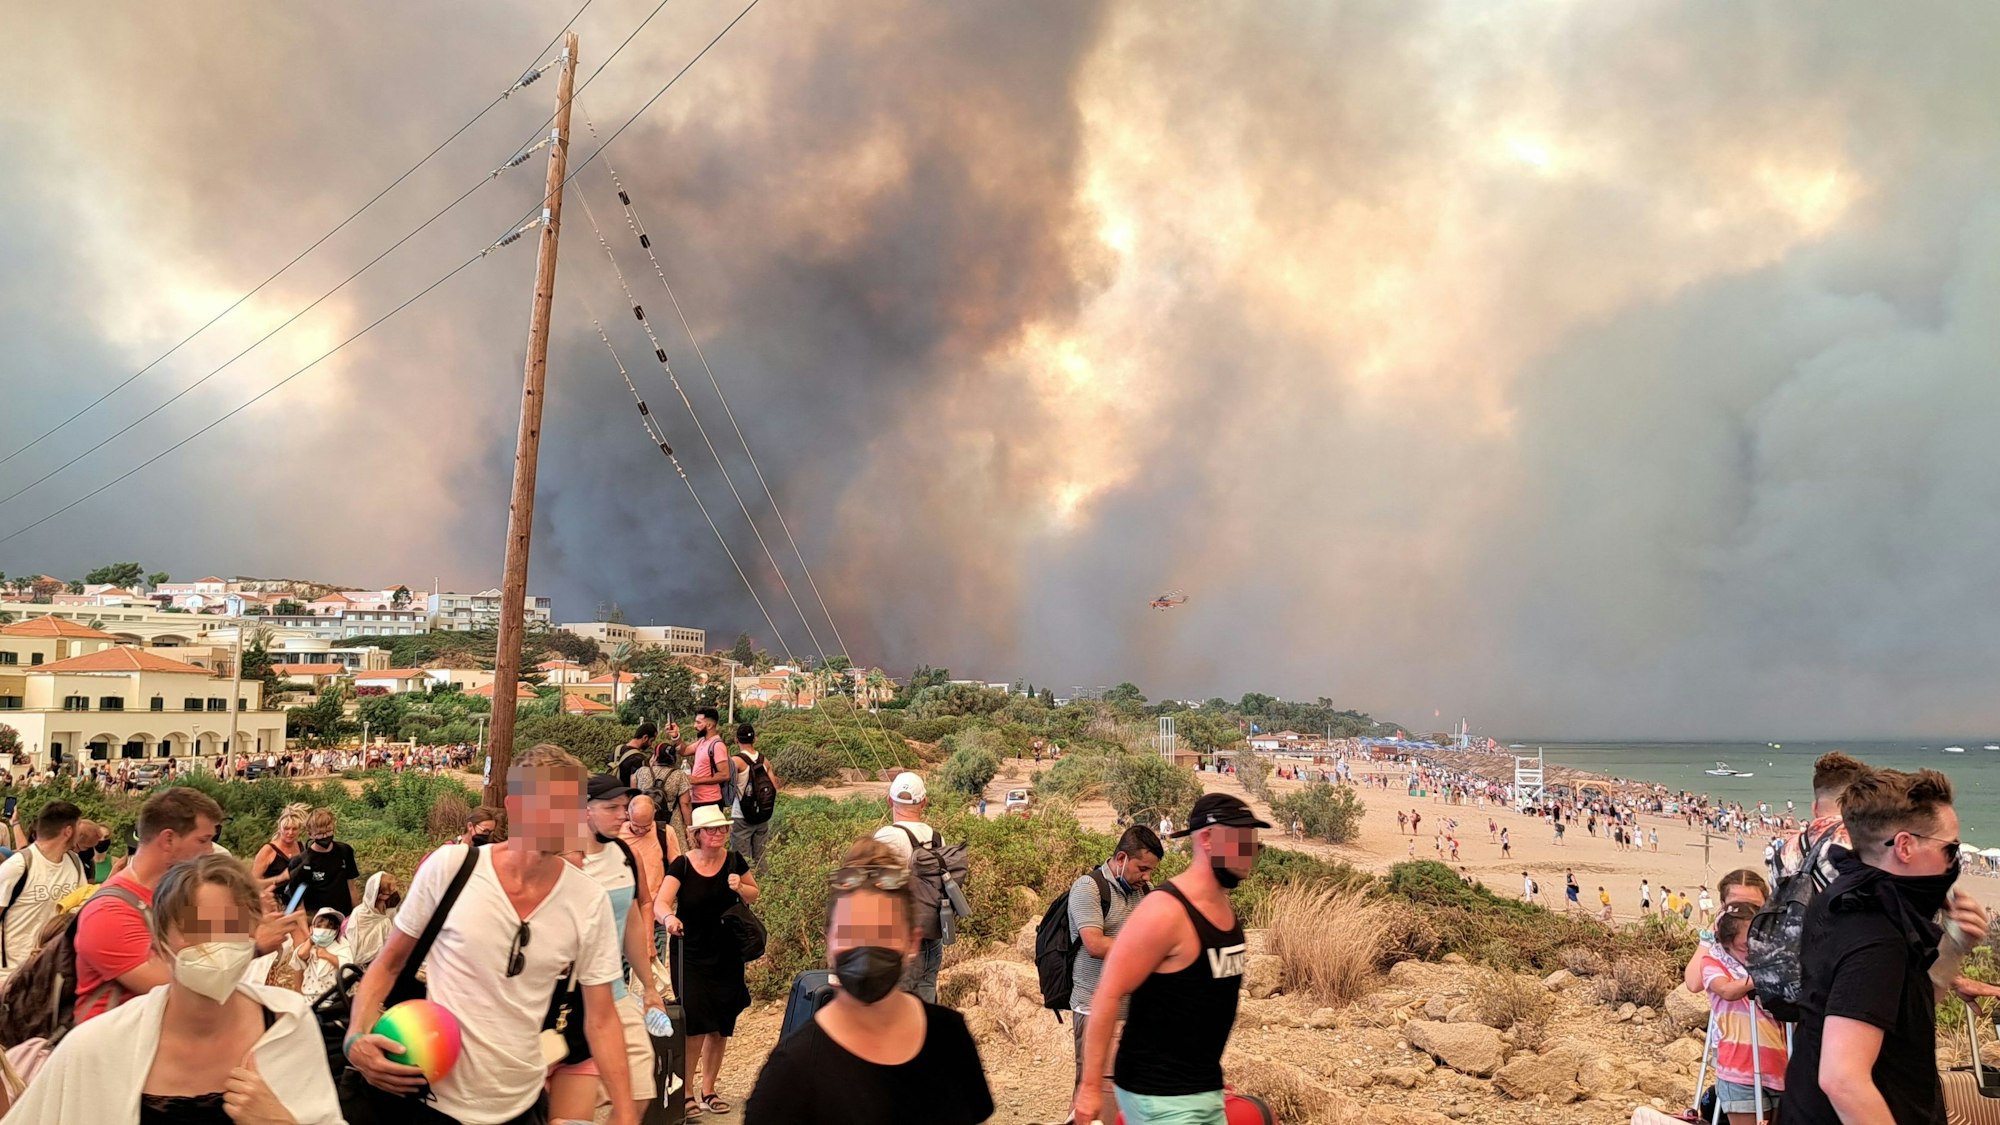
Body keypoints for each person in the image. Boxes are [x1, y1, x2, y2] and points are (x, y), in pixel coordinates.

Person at [345, 744, 636, 1125]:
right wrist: (355, 1039)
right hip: (424, 1101)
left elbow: (602, 1018)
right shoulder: (451, 868)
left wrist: (626, 1112)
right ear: (515, 807)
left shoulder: (588, 900)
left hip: (518, 1106)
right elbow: (387, 965)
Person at [1, 854, 343, 1124]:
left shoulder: (287, 1025)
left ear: (254, 931)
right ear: (160, 941)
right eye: (197, 929)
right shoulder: (98, 1048)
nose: (216, 943)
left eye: (231, 927)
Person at [1782, 768, 1989, 1125]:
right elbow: (1842, 1079)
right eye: (1950, 848)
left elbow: (1902, 1006)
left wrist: (1953, 945)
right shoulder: (1876, 934)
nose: (1954, 862)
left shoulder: (1843, 897)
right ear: (1905, 846)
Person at [742, 838, 994, 1124]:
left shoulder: (949, 1035)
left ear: (912, 941)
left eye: (883, 931)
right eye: (850, 931)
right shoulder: (792, 1070)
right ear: (828, 943)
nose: (866, 946)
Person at [1074, 794, 1262, 1125]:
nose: (1250, 854)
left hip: (1201, 1089)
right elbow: (1107, 993)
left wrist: (1206, 1078)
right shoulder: (1165, 911)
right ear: (1207, 839)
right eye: (1242, 842)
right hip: (1158, 1096)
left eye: (1255, 846)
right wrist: (1089, 1088)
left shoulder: (1222, 909)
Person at [549, 776, 665, 1125]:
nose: (622, 816)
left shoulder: (625, 854)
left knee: (639, 1094)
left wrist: (649, 987)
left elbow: (630, 919)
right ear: (584, 810)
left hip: (614, 991)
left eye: (624, 807)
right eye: (611, 807)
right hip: (567, 999)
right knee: (569, 1112)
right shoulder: (560, 860)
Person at [74, 787, 227, 1024]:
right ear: (168, 839)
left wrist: (251, 924)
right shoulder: (108, 912)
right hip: (116, 1043)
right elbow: (179, 991)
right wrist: (254, 944)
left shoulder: (176, 895)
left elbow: (222, 936)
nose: (210, 851)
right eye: (203, 840)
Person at [661, 804, 757, 1118]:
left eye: (721, 828)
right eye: (710, 829)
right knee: (696, 1023)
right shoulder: (682, 865)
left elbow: (754, 893)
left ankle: (709, 1090)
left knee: (721, 1025)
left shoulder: (734, 861)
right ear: (697, 834)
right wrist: (669, 919)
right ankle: (686, 1092)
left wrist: (741, 887)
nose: (716, 834)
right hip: (690, 952)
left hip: (728, 952)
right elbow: (661, 902)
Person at [1068, 827, 1163, 1114]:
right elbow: (1095, 944)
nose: (1147, 877)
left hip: (1133, 1011)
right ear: (1121, 858)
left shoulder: (1143, 892)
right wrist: (1147, 950)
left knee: (1125, 1090)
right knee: (1093, 1089)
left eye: (1151, 871)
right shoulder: (1088, 888)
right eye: (1142, 869)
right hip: (1092, 1007)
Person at [1702, 903, 1786, 1125]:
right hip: (1739, 1070)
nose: (1753, 951)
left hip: (1777, 1067)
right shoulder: (1713, 963)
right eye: (1746, 945)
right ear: (1727, 943)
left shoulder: (1770, 963)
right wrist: (1761, 975)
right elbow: (1727, 990)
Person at [873, 772, 945, 1002]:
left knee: (895, 1006)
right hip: (931, 934)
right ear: (924, 802)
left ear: (889, 800)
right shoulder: (937, 838)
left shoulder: (886, 836)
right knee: (926, 1003)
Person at [0, 800, 85, 984]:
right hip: (13, 975)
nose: (81, 833)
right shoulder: (18, 866)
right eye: (79, 826)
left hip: (55, 972)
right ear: (68, 831)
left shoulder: (75, 863)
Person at [287, 809, 359, 916]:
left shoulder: (345, 851)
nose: (325, 836)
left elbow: (352, 887)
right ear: (310, 834)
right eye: (320, 834)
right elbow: (297, 903)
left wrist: (357, 915)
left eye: (329, 831)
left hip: (345, 915)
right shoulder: (300, 863)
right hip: (317, 919)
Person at [729, 725, 779, 874]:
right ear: (755, 739)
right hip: (762, 816)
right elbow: (774, 787)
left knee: (741, 860)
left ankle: (745, 886)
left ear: (736, 739)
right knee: (761, 858)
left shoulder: (736, 761)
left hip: (741, 816)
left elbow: (728, 786)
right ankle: (764, 884)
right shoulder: (764, 761)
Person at [252, 804, 307, 906]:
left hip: (298, 900)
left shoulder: (302, 848)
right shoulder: (268, 850)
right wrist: (279, 878)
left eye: (294, 829)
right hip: (273, 902)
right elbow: (252, 882)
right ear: (279, 829)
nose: (290, 832)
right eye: (286, 828)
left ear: (299, 830)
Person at [682, 709, 731, 823]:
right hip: (697, 799)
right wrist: (676, 736)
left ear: (709, 725)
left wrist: (696, 780)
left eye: (698, 722)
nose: (695, 726)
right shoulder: (702, 742)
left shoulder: (717, 745)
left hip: (710, 801)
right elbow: (684, 751)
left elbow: (725, 775)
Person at [345, 871, 399, 967]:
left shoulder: (390, 910)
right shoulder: (359, 914)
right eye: (391, 892)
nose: (395, 893)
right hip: (362, 963)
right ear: (380, 895)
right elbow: (353, 942)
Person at [614, 723, 658, 790]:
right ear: (645, 738)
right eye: (651, 741)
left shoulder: (617, 749)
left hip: (612, 792)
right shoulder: (639, 759)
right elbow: (637, 784)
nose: (651, 744)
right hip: (626, 794)